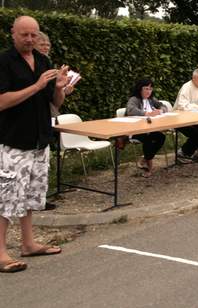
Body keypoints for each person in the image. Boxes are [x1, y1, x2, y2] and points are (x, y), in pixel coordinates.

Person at [0, 16, 69, 273]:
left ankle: (28, 244)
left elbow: (54, 102)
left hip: (40, 140)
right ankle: (1, 252)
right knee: (5, 197)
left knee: (31, 195)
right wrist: (37, 84)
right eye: (24, 35)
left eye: (33, 35)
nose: (29, 39)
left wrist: (59, 88)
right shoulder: (4, 61)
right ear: (13, 33)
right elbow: (2, 101)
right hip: (12, 142)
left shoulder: (43, 61)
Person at [125, 79, 167, 177]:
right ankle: (149, 168)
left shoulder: (151, 99)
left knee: (161, 137)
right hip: (136, 130)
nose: (148, 91)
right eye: (146, 89)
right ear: (140, 89)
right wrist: (147, 113)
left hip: (150, 129)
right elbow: (130, 110)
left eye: (150, 89)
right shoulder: (134, 99)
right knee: (148, 140)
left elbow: (164, 106)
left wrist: (160, 111)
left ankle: (145, 158)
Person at [34, 31, 76, 117]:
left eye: (48, 45)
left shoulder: (48, 64)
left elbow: (55, 102)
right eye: (42, 45)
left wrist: (62, 89)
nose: (46, 48)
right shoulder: (29, 66)